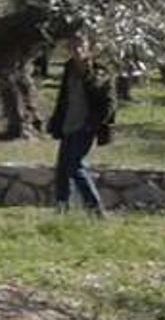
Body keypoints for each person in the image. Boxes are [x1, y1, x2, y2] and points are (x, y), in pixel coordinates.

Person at [45, 34, 116, 215]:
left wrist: (92, 125)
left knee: (75, 166)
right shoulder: (69, 68)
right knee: (62, 168)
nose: (77, 51)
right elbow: (64, 98)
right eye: (73, 47)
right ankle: (62, 206)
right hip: (69, 124)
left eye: (80, 47)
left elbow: (108, 103)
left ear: (89, 48)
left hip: (85, 127)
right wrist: (56, 121)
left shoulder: (100, 71)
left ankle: (95, 208)